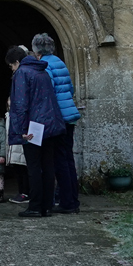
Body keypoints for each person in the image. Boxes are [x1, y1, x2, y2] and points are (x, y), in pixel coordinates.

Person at [5, 44, 65, 218]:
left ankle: (35, 206)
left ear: (17, 62)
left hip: (33, 127)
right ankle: (46, 205)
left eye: (11, 66)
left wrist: (21, 130)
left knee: (33, 167)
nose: (12, 69)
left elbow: (20, 104)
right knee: (47, 166)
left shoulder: (23, 73)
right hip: (50, 125)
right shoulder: (42, 71)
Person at [32, 33, 82, 213]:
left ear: (36, 50)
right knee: (68, 158)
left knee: (58, 160)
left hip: (57, 117)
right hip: (69, 116)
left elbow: (48, 92)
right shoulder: (60, 62)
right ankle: (73, 200)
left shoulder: (45, 65)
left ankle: (67, 202)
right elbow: (70, 88)